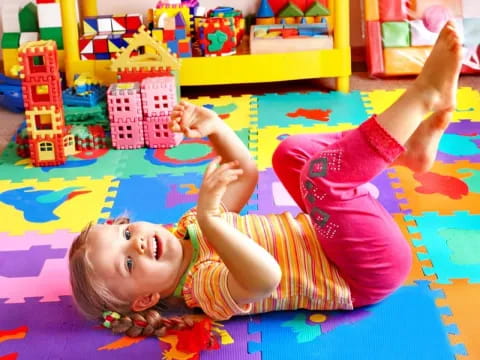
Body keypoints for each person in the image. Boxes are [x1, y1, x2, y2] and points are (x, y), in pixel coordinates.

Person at [69, 21, 463, 337]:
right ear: (146, 300)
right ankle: (423, 96)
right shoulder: (204, 289)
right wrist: (210, 219)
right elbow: (266, 278)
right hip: (363, 272)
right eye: (129, 264)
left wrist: (216, 128)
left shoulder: (189, 229)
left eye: (124, 235)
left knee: (290, 154)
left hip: (332, 239)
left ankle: (407, 148)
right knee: (321, 179)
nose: (136, 243)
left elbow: (246, 174)